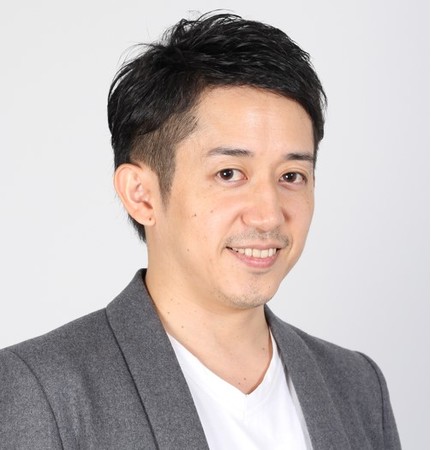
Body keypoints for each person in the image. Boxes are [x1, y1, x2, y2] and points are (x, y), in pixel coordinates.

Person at [0, 12, 401, 449]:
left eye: (291, 176)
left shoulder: (358, 386)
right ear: (141, 195)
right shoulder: (43, 391)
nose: (268, 215)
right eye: (229, 173)